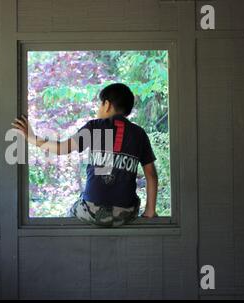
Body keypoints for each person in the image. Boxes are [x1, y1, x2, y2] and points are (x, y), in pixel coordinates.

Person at [11, 83, 158, 227]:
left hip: (92, 211)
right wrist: (150, 211)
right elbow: (151, 174)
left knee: (71, 213)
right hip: (125, 214)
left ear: (106, 105)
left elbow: (62, 148)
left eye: (99, 104)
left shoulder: (94, 126)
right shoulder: (139, 134)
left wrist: (31, 138)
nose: (98, 109)